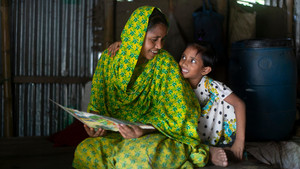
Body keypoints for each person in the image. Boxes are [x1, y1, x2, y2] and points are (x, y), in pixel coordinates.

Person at [73, 6, 212, 168]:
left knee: (131, 161)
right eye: (154, 39)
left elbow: (180, 112)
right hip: (116, 136)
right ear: (137, 37)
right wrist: (94, 127)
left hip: (153, 135)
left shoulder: (164, 64)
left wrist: (143, 130)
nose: (159, 46)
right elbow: (96, 106)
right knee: (85, 152)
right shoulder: (108, 60)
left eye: (163, 39)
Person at [178, 42, 246, 161]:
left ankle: (221, 151)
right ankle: (207, 153)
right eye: (183, 57)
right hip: (194, 135)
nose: (184, 63)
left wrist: (240, 141)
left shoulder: (212, 86)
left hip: (215, 133)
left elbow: (239, 104)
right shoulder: (177, 83)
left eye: (192, 61)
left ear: (205, 70)